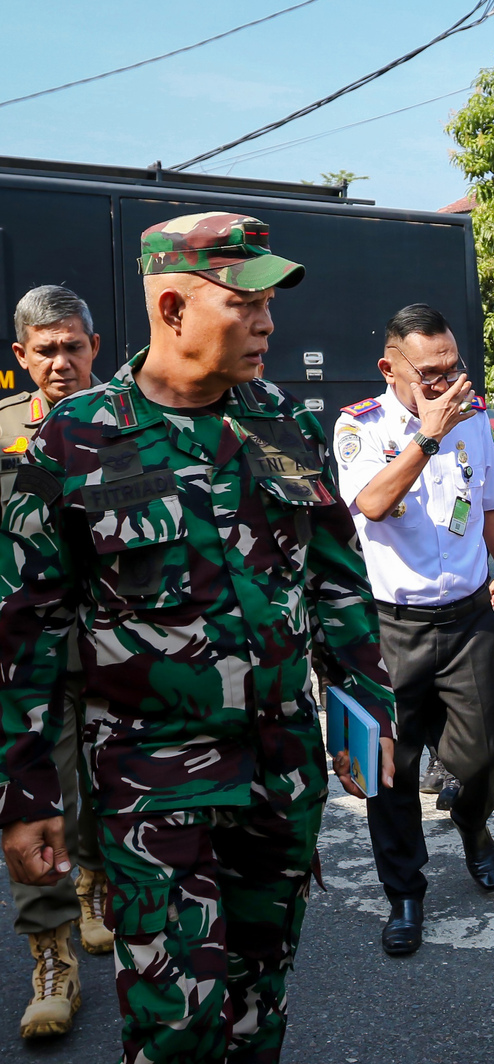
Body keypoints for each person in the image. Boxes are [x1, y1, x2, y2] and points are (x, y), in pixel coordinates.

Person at [0, 213, 395, 1063]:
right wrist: (26, 794)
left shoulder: (280, 420)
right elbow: (25, 630)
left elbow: (336, 578)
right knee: (177, 1022)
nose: (266, 323)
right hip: (149, 778)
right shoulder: (73, 440)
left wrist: (368, 705)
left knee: (259, 1005)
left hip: (279, 774)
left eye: (269, 305)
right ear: (173, 307)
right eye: (245, 302)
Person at [334, 303, 494, 956]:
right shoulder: (359, 427)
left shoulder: (473, 423)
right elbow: (374, 503)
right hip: (389, 625)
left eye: (455, 368)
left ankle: (474, 825)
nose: (449, 383)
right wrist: (427, 436)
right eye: (432, 372)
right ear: (391, 369)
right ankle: (406, 894)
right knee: (390, 769)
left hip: (468, 616)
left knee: (481, 751)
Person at [0, 285, 112, 1039]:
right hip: (23, 656)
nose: (62, 363)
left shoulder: (128, 426)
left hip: (112, 650)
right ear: (21, 356)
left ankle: (95, 881)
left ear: (94, 348)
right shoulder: (5, 432)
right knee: (32, 797)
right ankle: (52, 959)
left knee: (104, 789)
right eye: (47, 350)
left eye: (74, 347)